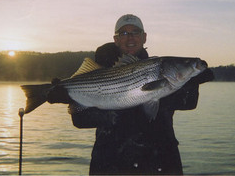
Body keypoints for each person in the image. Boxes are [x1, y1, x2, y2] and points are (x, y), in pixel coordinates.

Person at [51, 14, 214, 175]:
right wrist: (68, 95)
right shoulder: (98, 73)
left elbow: (188, 103)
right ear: (115, 39)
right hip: (110, 163)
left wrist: (191, 81)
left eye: (135, 32)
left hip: (159, 161)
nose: (130, 38)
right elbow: (79, 119)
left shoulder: (161, 69)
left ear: (144, 37)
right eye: (123, 33)